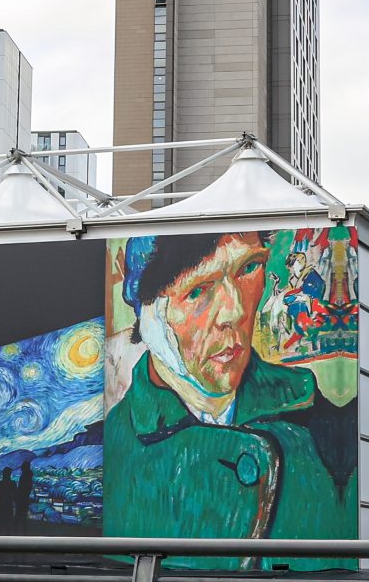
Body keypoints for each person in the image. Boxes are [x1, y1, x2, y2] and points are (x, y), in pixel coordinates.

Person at [103, 230, 354, 564]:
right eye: (197, 290)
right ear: (149, 315)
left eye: (249, 268)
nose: (234, 310)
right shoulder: (117, 450)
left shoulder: (317, 416)